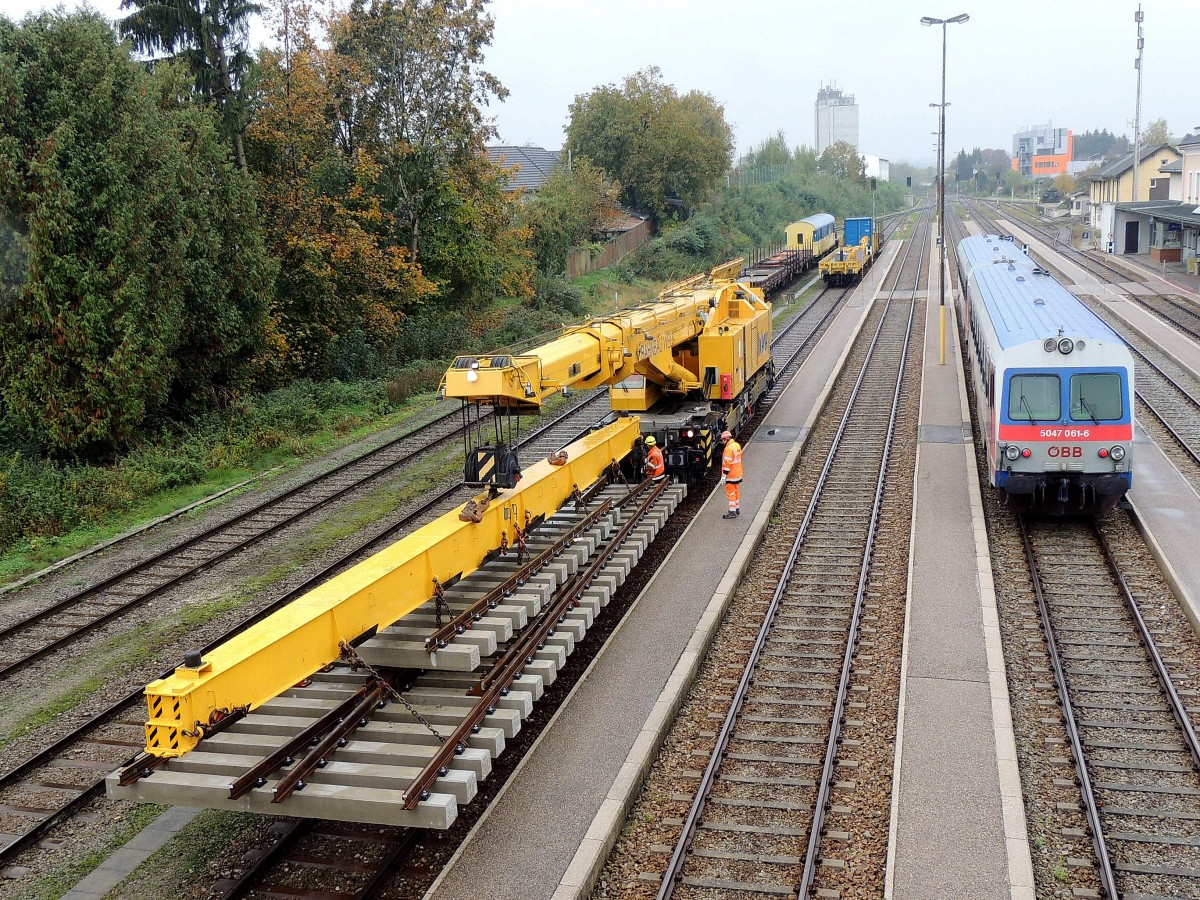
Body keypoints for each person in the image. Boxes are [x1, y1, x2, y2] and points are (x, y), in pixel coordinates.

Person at [720, 430, 743, 519]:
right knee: (736, 491)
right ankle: (737, 508)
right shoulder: (736, 445)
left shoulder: (728, 448)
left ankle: (732, 511)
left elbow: (727, 463)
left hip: (731, 475)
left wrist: (724, 475)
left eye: (722, 440)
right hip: (738, 473)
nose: (722, 442)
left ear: (726, 439)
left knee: (730, 493)